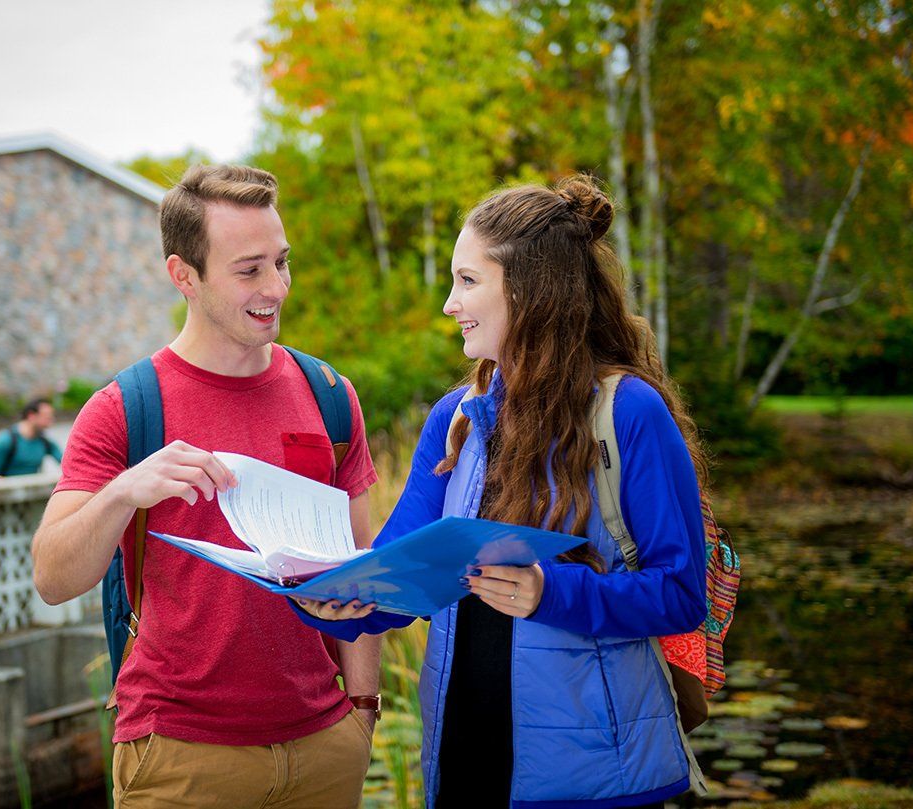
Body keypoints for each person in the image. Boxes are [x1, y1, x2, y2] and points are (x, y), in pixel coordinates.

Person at [294, 175, 708, 809]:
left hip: (593, 780)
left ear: (530, 289)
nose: (449, 304)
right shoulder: (453, 417)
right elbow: (404, 565)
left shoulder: (630, 414)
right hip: (461, 759)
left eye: (467, 280)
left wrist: (551, 591)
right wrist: (342, 598)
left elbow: (681, 595)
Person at [30, 164, 381, 809]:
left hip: (325, 747)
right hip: (181, 758)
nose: (275, 287)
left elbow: (363, 564)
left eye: (282, 263)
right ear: (183, 276)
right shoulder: (125, 408)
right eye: (249, 270)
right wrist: (123, 492)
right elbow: (53, 578)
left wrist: (361, 711)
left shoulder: (330, 397)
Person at [0, 398, 62, 476]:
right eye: (47, 416)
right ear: (31, 415)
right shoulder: (7, 441)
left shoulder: (45, 442)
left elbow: (66, 463)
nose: (51, 420)